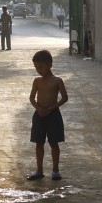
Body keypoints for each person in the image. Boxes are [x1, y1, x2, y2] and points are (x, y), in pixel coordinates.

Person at [27, 50, 68, 181]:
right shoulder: (37, 81)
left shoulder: (57, 81)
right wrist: (38, 108)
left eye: (41, 67)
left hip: (53, 114)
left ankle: (55, 170)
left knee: (53, 143)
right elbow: (32, 97)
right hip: (39, 114)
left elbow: (64, 98)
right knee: (39, 143)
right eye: (36, 67)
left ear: (50, 65)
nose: (39, 70)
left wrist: (51, 108)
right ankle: (39, 170)